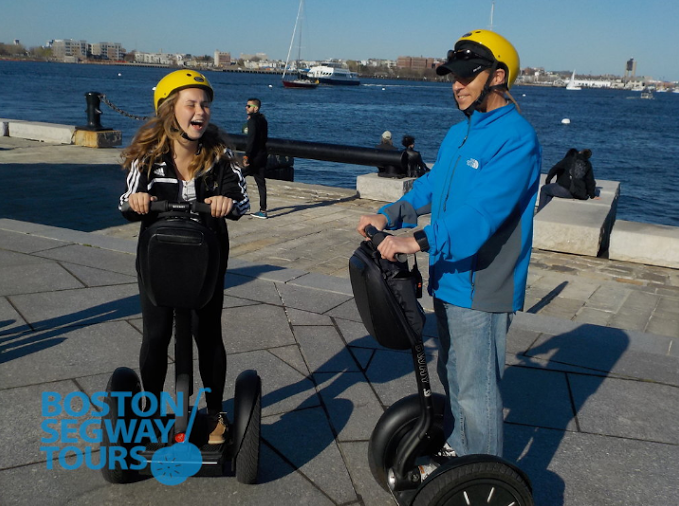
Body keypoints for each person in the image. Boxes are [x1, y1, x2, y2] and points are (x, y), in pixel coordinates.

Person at [357, 30, 541, 459]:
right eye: (453, 77)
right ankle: (459, 452)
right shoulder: (461, 133)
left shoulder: (517, 138)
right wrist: (388, 214)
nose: (456, 85)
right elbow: (431, 185)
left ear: (498, 76)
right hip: (448, 275)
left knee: (477, 392)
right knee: (452, 374)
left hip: (482, 284)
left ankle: (482, 475)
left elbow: (482, 214)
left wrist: (415, 241)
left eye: (466, 75)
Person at [119, 70, 250, 444]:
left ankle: (215, 412)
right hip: (157, 260)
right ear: (169, 110)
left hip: (206, 261)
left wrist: (226, 201)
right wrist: (136, 200)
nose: (201, 111)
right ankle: (149, 408)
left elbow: (241, 200)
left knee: (207, 334)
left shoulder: (220, 156)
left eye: (205, 105)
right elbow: (125, 200)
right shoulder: (148, 157)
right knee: (156, 334)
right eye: (191, 104)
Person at [242, 98, 269, 219]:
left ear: (255, 108)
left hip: (253, 157)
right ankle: (263, 210)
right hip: (262, 155)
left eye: (249, 106)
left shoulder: (252, 121)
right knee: (261, 183)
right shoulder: (263, 119)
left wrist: (247, 155)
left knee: (237, 177)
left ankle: (237, 204)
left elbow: (251, 139)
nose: (246, 108)